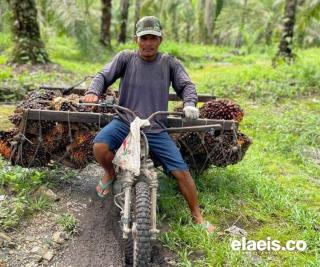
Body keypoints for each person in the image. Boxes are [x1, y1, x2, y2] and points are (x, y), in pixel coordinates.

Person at [83, 16, 215, 233]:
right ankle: (110, 172)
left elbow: (187, 85)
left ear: (160, 40)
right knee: (100, 146)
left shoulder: (169, 63)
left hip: (155, 127)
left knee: (181, 171)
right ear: (137, 39)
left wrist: (190, 103)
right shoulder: (125, 58)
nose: (148, 43)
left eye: (153, 38)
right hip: (125, 121)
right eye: (144, 38)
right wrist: (92, 92)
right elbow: (102, 76)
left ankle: (198, 216)